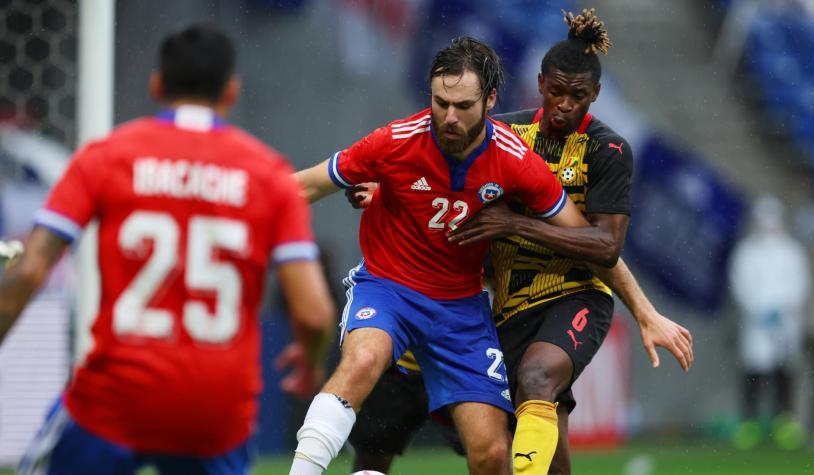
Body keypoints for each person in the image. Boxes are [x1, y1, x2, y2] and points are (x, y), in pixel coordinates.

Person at [345, 9, 693, 475]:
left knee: (536, 378)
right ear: (540, 82)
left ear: (596, 95)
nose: (565, 105)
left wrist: (516, 225)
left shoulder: (607, 151)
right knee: (533, 430)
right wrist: (384, 190)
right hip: (506, 303)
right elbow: (444, 176)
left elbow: (606, 247)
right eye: (556, 91)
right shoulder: (505, 135)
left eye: (579, 96)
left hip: (575, 295)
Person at [0, 25, 335, 475]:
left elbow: (28, 271)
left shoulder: (107, 156)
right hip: (215, 410)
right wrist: (310, 363)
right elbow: (313, 313)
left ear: (157, 84)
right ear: (231, 91)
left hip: (115, 401)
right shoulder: (269, 176)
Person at [728, 194, 810, 450]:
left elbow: (800, 283)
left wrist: (784, 309)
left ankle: (783, 422)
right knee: (754, 372)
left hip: (786, 321)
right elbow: (740, 283)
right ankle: (750, 423)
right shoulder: (747, 251)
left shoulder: (792, 251)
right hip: (756, 323)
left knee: (784, 372)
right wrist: (758, 310)